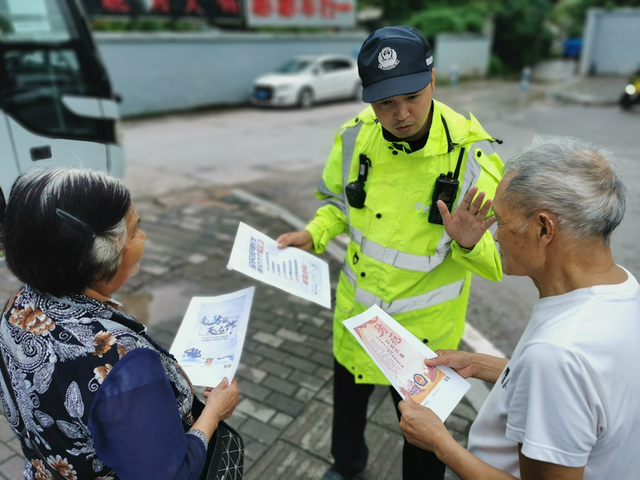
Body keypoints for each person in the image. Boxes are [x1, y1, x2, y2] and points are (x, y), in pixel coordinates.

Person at [277, 26, 504, 480]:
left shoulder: (474, 158)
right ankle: (347, 468)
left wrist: (468, 241)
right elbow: (338, 205)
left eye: (412, 97)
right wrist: (313, 233)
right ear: (369, 100)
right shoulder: (352, 138)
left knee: (423, 438)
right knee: (346, 415)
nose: (400, 114)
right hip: (357, 319)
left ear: (432, 81)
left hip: (423, 340)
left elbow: (498, 264)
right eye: (385, 103)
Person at [399, 136, 640, 480]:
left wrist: (440, 442)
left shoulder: (556, 353)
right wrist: (480, 364)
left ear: (544, 228)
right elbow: (588, 393)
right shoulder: (623, 289)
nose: (495, 236)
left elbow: (559, 370)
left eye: (502, 221)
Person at [0, 167, 240, 479]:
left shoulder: (17, 307)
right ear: (101, 259)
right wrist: (213, 413)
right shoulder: (124, 366)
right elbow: (171, 474)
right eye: (134, 230)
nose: (144, 237)